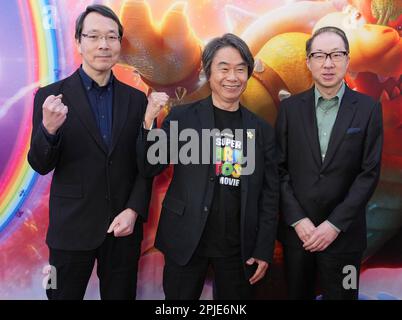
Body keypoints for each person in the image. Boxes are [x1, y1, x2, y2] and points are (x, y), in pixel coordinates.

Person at [137, 33, 279, 300]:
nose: (232, 77)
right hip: (185, 240)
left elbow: (270, 195)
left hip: (238, 248)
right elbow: (149, 167)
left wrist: (263, 248)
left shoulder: (261, 130)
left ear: (248, 74)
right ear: (208, 72)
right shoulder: (182, 117)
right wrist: (148, 121)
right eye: (223, 68)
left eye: (240, 69)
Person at [27, 5, 152, 300]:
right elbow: (40, 164)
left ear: (120, 44)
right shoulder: (51, 96)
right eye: (93, 36)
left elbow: (146, 166)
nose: (103, 45)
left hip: (122, 229)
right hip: (71, 230)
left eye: (111, 37)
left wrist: (133, 210)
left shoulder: (137, 100)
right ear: (78, 42)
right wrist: (48, 130)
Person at [276, 26, 383, 300]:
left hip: (345, 237)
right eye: (320, 55)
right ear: (308, 61)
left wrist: (334, 224)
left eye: (336, 55)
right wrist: (298, 220)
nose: (328, 63)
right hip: (298, 237)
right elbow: (278, 169)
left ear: (347, 60)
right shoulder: (289, 110)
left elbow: (368, 173)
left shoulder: (369, 109)